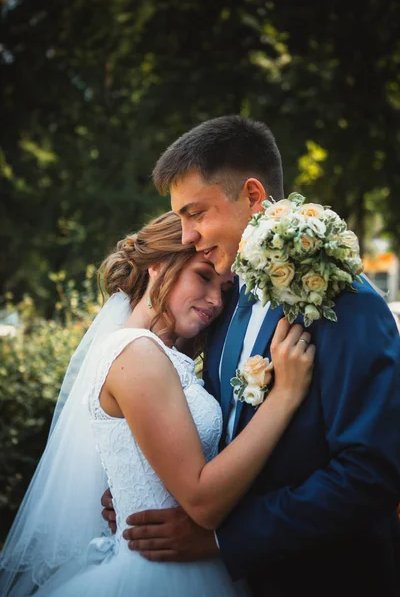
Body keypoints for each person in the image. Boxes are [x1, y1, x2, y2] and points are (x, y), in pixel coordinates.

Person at [113, 116, 400, 597]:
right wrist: (149, 490)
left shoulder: (345, 300)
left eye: (196, 213)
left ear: (251, 195)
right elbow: (225, 431)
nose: (186, 236)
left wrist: (225, 538)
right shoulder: (229, 303)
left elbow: (372, 473)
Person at [0, 211, 315, 597]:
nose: (216, 300)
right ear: (158, 265)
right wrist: (284, 397)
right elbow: (202, 501)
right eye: (203, 276)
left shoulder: (159, 355)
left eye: (226, 287)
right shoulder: (136, 353)